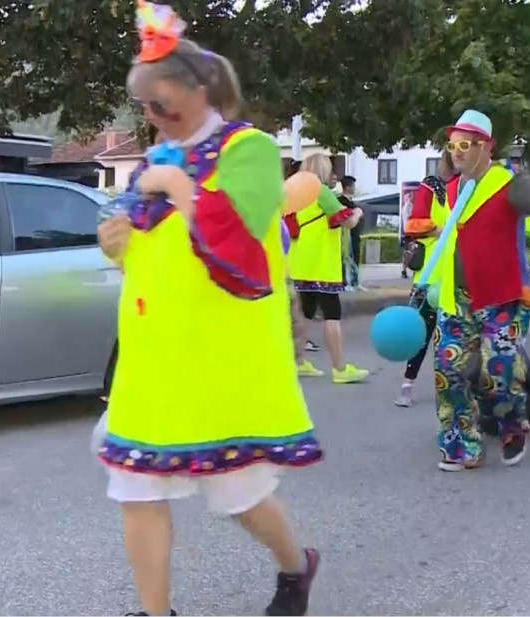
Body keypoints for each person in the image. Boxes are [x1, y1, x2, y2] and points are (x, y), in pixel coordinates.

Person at [95, 4, 320, 615]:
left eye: (160, 100)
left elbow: (241, 246)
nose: (151, 114)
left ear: (198, 89)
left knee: (239, 496)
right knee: (136, 488)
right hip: (153, 356)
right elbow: (149, 254)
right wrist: (116, 243)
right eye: (144, 104)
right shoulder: (151, 159)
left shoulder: (248, 149)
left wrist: (178, 188)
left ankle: (296, 567)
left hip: (221, 358)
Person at [424, 109, 530, 471]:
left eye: (464, 144)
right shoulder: (453, 187)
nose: (456, 152)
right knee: (448, 370)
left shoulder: (511, 183)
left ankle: (513, 425)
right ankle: (462, 444)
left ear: (486, 147)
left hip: (502, 297)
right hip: (457, 297)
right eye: (452, 145)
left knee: (497, 370)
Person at [286, 153, 368, 383]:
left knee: (305, 313)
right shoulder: (320, 192)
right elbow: (347, 221)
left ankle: (297, 362)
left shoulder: (293, 193)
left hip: (299, 261)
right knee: (332, 314)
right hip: (322, 263)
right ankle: (340, 368)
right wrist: (358, 212)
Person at [395, 151, 454, 408]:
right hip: (431, 272)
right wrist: (440, 229)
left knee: (454, 337)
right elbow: (414, 223)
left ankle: (450, 389)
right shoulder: (432, 186)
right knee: (421, 332)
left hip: (460, 273)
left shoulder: (474, 188)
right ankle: (407, 384)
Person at [338, 176, 368, 291]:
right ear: (347, 187)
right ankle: (345, 282)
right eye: (353, 186)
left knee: (355, 256)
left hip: (354, 233)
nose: (354, 188)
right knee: (345, 258)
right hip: (346, 234)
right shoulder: (341, 201)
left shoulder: (351, 202)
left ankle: (355, 282)